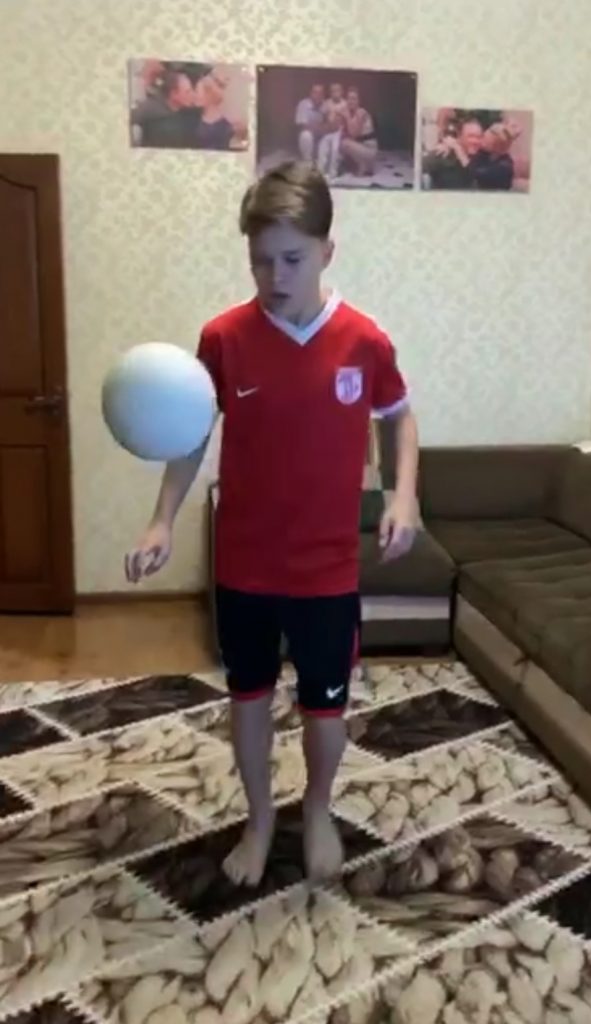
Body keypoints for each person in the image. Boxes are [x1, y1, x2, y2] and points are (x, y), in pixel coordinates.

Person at [124, 160, 419, 887]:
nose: (275, 275)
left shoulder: (363, 341)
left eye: (291, 258)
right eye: (260, 260)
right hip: (245, 565)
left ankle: (316, 810)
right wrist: (161, 521)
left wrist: (403, 496)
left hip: (326, 570)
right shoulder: (223, 338)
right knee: (249, 700)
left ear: (326, 251)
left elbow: (399, 417)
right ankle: (259, 820)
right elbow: (191, 434)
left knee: (325, 711)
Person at [194, 67, 247, 151]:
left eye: (197, 92)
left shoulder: (225, 126)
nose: (195, 96)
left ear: (209, 95)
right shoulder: (195, 118)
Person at [340, 88, 378, 177]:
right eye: (349, 98)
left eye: (354, 99)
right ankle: (359, 165)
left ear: (358, 101)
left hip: (369, 151)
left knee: (345, 143)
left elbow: (354, 134)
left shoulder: (361, 113)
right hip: (361, 148)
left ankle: (365, 166)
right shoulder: (351, 113)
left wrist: (346, 117)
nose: (351, 101)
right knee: (340, 142)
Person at [294, 84, 327, 163]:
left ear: (323, 95)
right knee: (306, 135)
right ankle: (307, 160)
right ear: (311, 93)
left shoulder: (325, 105)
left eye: (320, 93)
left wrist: (322, 127)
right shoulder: (303, 104)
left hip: (320, 137)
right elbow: (303, 125)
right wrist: (320, 127)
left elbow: (328, 125)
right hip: (309, 136)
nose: (318, 95)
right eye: (315, 92)